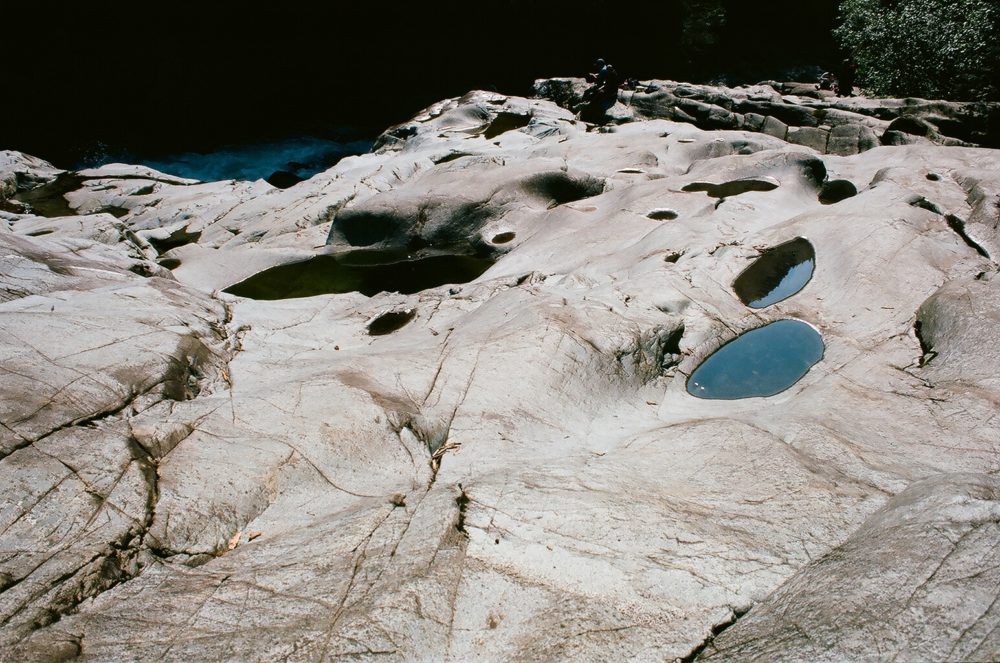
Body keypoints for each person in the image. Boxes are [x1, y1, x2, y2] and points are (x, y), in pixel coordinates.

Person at [578, 58, 621, 123]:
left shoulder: (603, 70)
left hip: (611, 92)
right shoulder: (606, 68)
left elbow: (599, 82)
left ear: (599, 65)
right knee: (599, 90)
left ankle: (588, 104)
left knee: (596, 92)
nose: (597, 67)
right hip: (614, 90)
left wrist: (594, 77)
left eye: (597, 65)